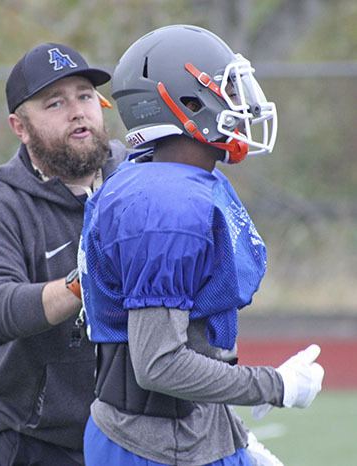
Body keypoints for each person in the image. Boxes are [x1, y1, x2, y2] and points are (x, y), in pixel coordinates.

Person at [78, 25, 325, 466]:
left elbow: (191, 337)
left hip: (189, 431)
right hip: (153, 446)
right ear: (188, 103)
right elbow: (160, 364)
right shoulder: (163, 205)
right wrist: (275, 385)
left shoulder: (176, 179)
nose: (243, 102)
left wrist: (234, 435)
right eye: (228, 88)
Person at [0, 42, 129, 466]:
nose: (77, 111)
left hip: (134, 431)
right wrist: (81, 283)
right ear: (19, 126)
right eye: (55, 103)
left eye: (85, 96)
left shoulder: (136, 175)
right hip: (37, 441)